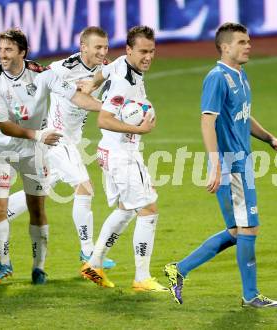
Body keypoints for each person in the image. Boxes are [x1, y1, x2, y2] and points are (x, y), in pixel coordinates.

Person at [164, 22, 277, 307]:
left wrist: (269, 138)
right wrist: (215, 165)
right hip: (231, 164)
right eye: (242, 42)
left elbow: (244, 115)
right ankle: (251, 296)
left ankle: (178, 269)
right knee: (248, 229)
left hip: (242, 163)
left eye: (249, 41)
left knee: (237, 231)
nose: (248, 46)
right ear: (225, 46)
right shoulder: (217, 77)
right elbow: (207, 121)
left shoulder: (241, 75)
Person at [0, 26, 116, 269]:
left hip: (73, 138)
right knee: (84, 187)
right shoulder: (63, 68)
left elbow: (109, 94)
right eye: (98, 47)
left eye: (105, 47)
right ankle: (88, 253)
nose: (103, 52)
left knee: (41, 190)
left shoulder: (105, 70)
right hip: (56, 138)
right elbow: (42, 78)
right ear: (83, 47)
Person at [79, 26, 168, 292]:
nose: (148, 57)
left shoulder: (119, 64)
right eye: (142, 51)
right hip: (122, 154)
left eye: (151, 51)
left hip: (110, 152)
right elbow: (104, 120)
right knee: (148, 209)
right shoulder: (124, 82)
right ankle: (142, 278)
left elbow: (102, 72)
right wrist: (138, 129)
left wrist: (90, 84)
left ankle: (93, 265)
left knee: (126, 209)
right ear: (129, 50)